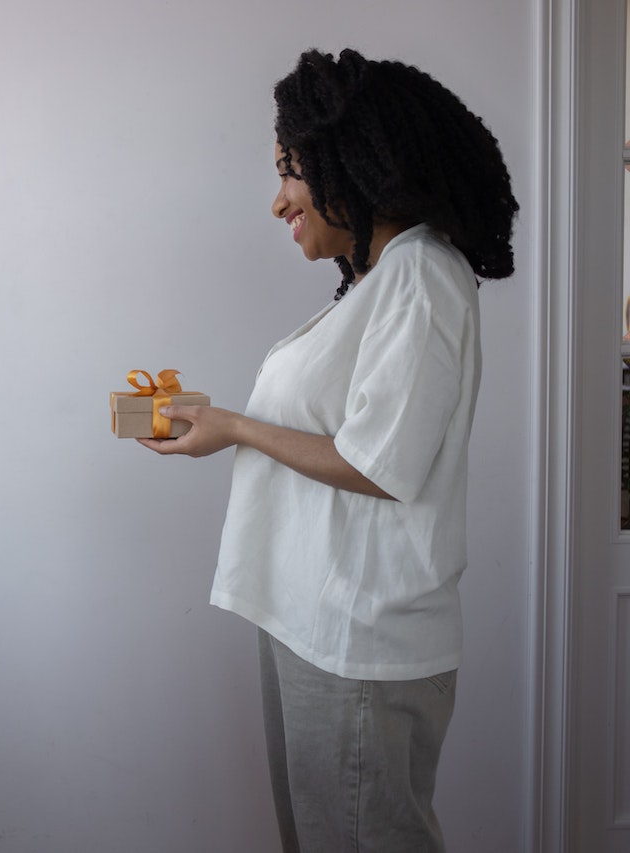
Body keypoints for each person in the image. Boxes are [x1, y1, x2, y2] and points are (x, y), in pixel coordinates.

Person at [139, 48, 518, 852]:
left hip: (360, 640)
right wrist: (220, 416)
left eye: (290, 172)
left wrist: (239, 426)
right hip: (319, 625)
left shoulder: (422, 276)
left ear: (351, 160)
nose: (277, 201)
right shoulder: (381, 282)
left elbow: (381, 463)